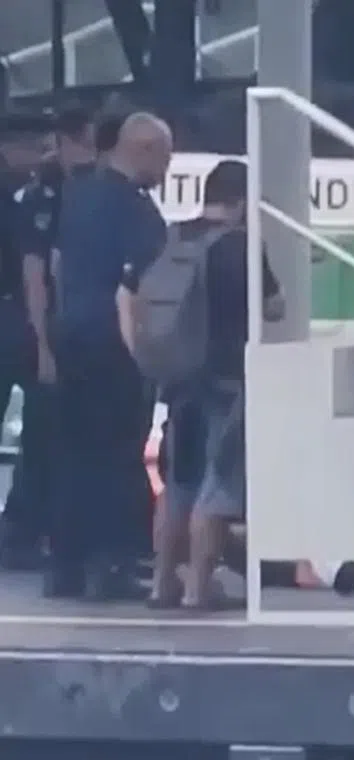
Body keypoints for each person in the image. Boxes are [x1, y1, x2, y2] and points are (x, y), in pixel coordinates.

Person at [48, 112, 172, 600]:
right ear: (144, 150)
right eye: (165, 158)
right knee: (118, 454)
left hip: (71, 336)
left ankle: (65, 567)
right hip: (113, 345)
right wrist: (143, 354)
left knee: (73, 453)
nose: (166, 169)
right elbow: (136, 288)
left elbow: (58, 268)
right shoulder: (136, 211)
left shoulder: (78, 197)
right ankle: (112, 564)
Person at [150, 159, 283, 611]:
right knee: (218, 484)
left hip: (179, 377)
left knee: (178, 484)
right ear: (242, 201)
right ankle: (198, 589)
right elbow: (274, 306)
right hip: (227, 380)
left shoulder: (174, 238)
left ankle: (162, 584)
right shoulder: (243, 245)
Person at [0, 104, 98, 569]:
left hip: (29, 320)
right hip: (20, 319)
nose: (41, 153)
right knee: (43, 428)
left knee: (44, 432)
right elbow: (33, 268)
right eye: (34, 145)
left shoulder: (44, 192)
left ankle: (23, 529)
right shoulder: (36, 197)